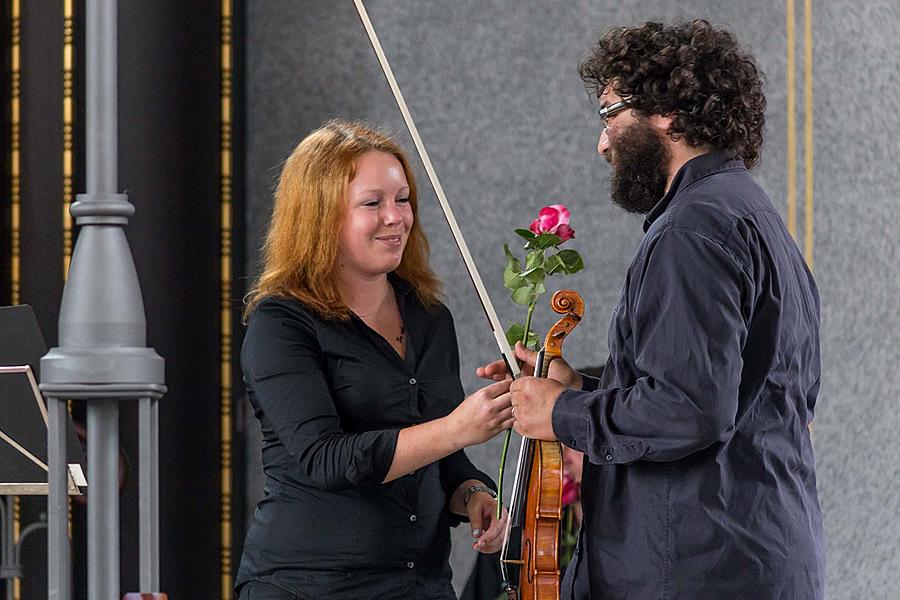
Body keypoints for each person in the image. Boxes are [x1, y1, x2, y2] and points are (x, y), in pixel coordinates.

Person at [479, 20, 825, 599]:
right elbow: (735, 393)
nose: (603, 141)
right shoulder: (751, 214)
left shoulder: (691, 230)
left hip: (698, 567)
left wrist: (564, 414)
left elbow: (691, 408)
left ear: (666, 112)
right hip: (753, 556)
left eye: (610, 114)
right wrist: (582, 387)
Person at [236, 119, 513, 600]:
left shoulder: (428, 317)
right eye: (372, 203)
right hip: (310, 586)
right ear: (320, 216)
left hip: (419, 584)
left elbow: (441, 457)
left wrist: (473, 495)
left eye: (402, 199)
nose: (396, 217)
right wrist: (459, 428)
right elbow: (325, 459)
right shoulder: (281, 324)